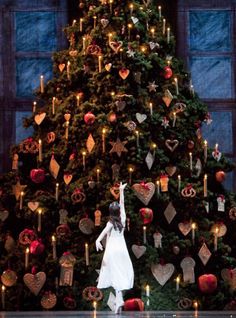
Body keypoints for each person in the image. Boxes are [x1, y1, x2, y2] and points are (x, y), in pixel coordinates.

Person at [96, 182, 134, 314]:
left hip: (112, 249)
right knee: (119, 273)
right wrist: (122, 191)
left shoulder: (110, 222)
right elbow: (123, 205)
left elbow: (102, 233)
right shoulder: (122, 219)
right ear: (118, 211)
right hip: (121, 248)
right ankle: (119, 300)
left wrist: (97, 241)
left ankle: (119, 300)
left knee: (114, 273)